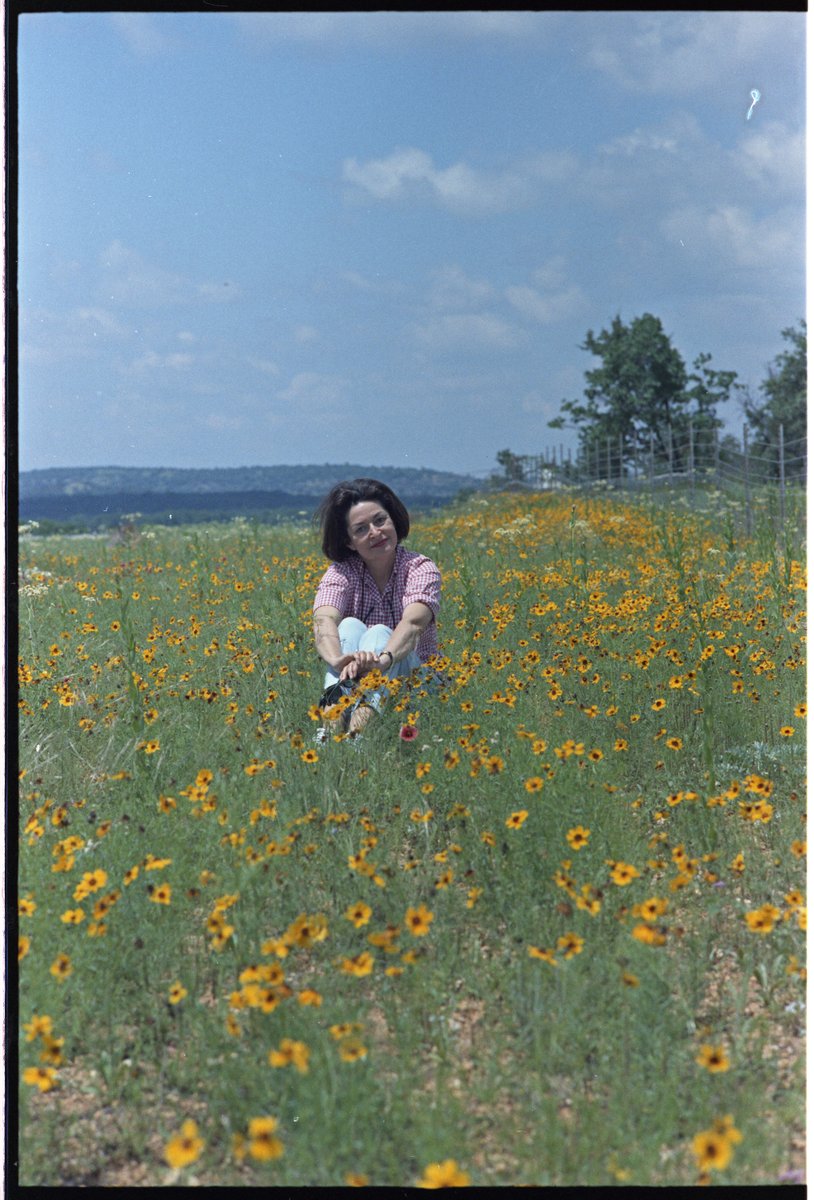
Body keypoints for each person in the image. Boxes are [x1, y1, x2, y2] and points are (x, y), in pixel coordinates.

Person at [313, 478, 441, 737]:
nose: (375, 532)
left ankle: (356, 736)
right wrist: (339, 660)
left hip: (417, 682)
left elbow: (413, 625)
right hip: (355, 677)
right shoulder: (342, 572)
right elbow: (323, 619)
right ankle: (331, 729)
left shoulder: (419, 567)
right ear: (349, 541)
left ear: (393, 521)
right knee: (347, 625)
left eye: (380, 520)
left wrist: (381, 662)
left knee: (381, 632)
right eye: (360, 529)